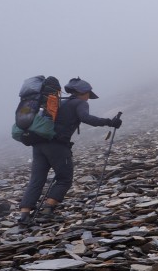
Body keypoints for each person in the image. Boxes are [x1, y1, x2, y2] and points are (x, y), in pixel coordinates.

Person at [16, 78, 122, 225]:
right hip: (57, 146)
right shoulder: (80, 103)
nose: (88, 98)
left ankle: (24, 215)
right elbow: (86, 118)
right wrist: (110, 122)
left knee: (37, 179)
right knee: (64, 178)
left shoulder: (58, 102)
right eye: (88, 94)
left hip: (38, 144)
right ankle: (47, 210)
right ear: (83, 92)